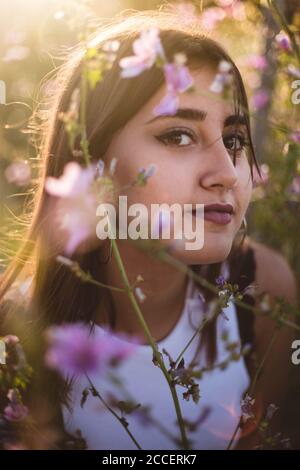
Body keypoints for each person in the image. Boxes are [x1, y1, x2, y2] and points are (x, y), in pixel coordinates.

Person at [0, 9, 297, 450]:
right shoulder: (15, 332)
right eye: (178, 136)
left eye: (234, 140)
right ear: (91, 159)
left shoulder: (265, 289)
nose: (228, 174)